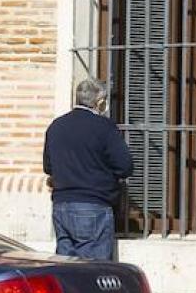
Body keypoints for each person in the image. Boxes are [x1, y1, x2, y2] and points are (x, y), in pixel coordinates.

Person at [43, 77, 133, 261]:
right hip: (93, 205)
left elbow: (48, 167)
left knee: (65, 271)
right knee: (93, 271)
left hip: (61, 205)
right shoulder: (104, 127)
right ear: (100, 102)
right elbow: (125, 166)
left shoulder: (56, 126)